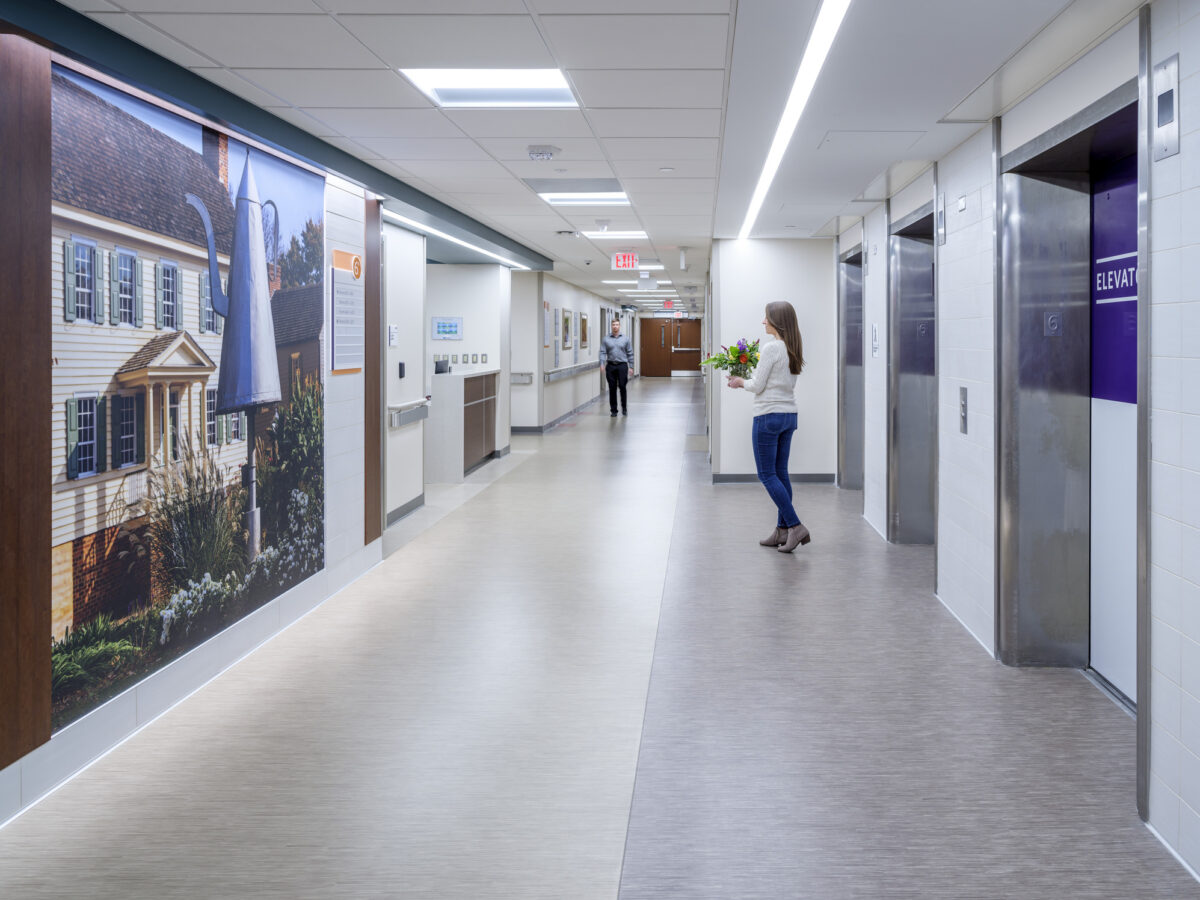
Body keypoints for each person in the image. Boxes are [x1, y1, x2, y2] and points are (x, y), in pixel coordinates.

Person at [726, 301, 810, 552]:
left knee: (766, 474)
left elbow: (757, 385)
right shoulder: (792, 347)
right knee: (780, 473)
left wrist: (740, 381)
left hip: (768, 416)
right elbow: (784, 384)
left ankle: (795, 527)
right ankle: (782, 531)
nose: (763, 322)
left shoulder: (772, 347)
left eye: (766, 318)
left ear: (777, 321)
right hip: (789, 416)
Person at [599, 316, 634, 416]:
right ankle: (613, 410)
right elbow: (602, 352)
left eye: (617, 325)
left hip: (622, 365)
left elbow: (630, 353)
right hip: (610, 366)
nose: (615, 326)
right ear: (611, 326)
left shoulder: (625, 339)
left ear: (619, 326)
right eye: (613, 325)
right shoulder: (606, 339)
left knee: (622, 386)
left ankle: (624, 408)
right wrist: (601, 363)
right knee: (612, 388)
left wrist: (631, 366)